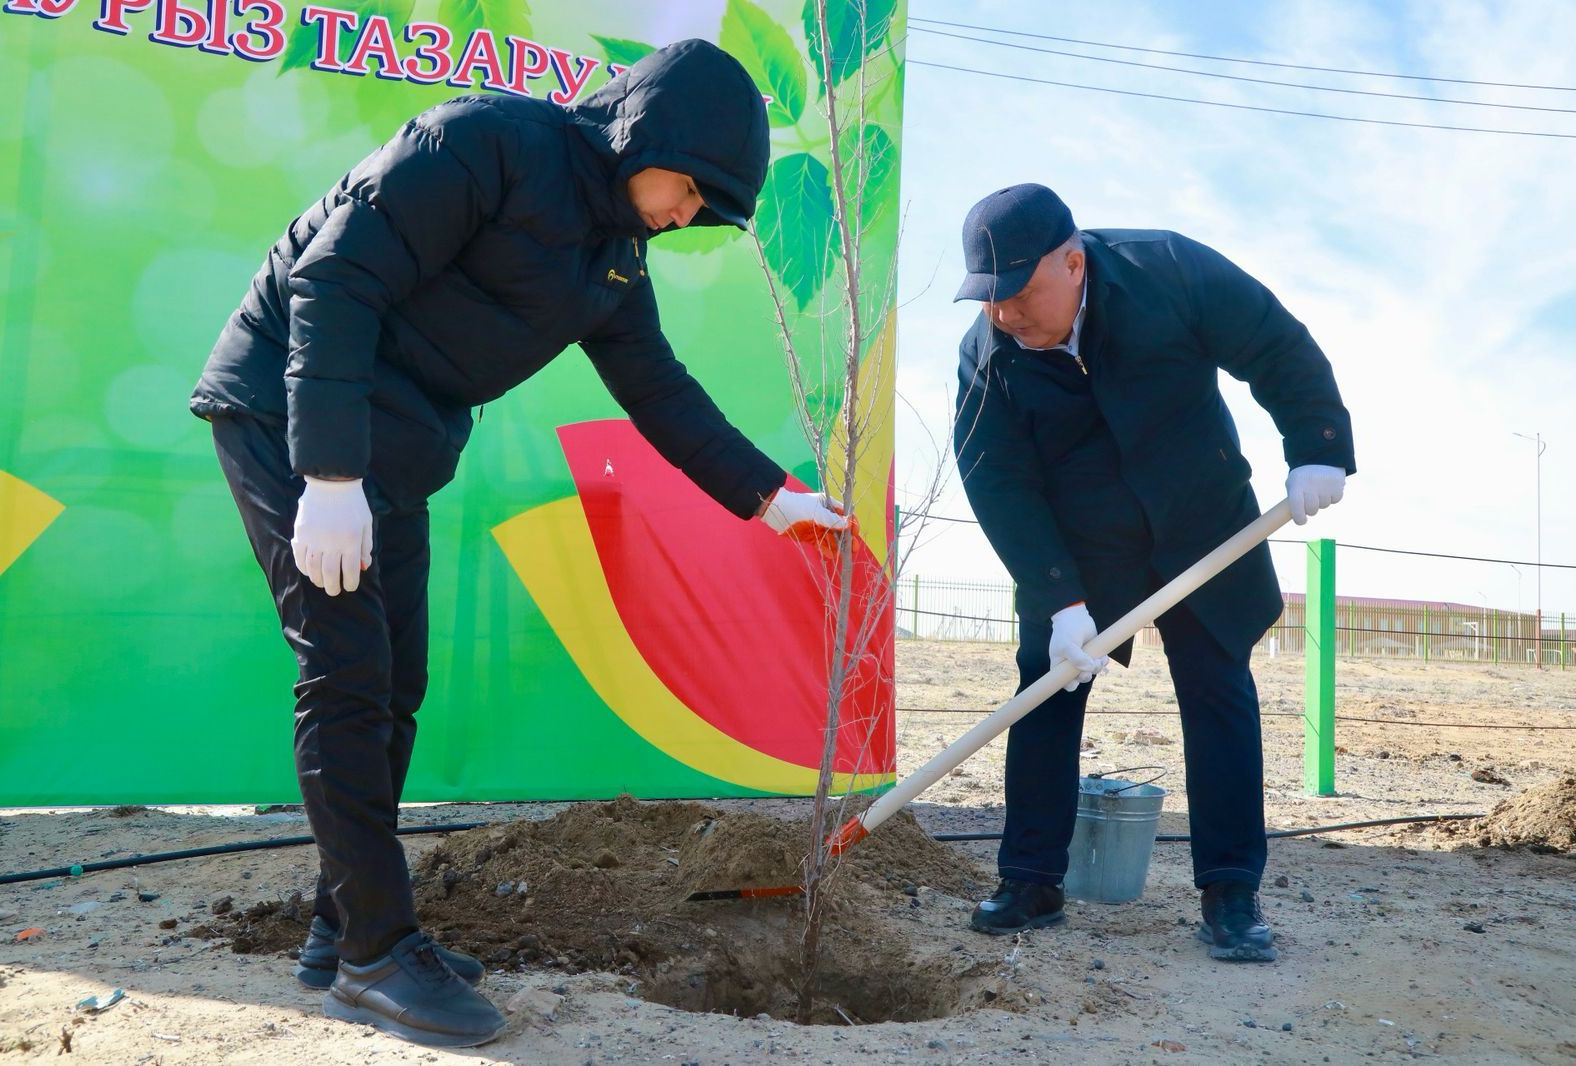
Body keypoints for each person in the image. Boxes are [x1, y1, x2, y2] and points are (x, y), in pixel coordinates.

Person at [189, 39, 846, 1047]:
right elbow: (335, 277)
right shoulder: (485, 142)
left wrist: (770, 497)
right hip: (289, 407)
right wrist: (324, 473)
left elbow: (658, 390)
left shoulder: (613, 255)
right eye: (693, 191)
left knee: (396, 680)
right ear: (649, 134)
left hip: (388, 451)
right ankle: (374, 953)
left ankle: (343, 924)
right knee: (348, 673)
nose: (687, 217)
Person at [951, 184, 1354, 962]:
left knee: (1217, 687)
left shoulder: (1166, 270)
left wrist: (1317, 442)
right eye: (989, 299)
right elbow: (996, 482)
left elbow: (1273, 341)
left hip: (1201, 521)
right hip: (1081, 545)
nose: (1004, 314)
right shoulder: (986, 357)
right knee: (1045, 685)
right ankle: (1030, 878)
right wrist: (1058, 598)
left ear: (1072, 263)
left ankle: (1231, 890)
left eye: (1019, 294)